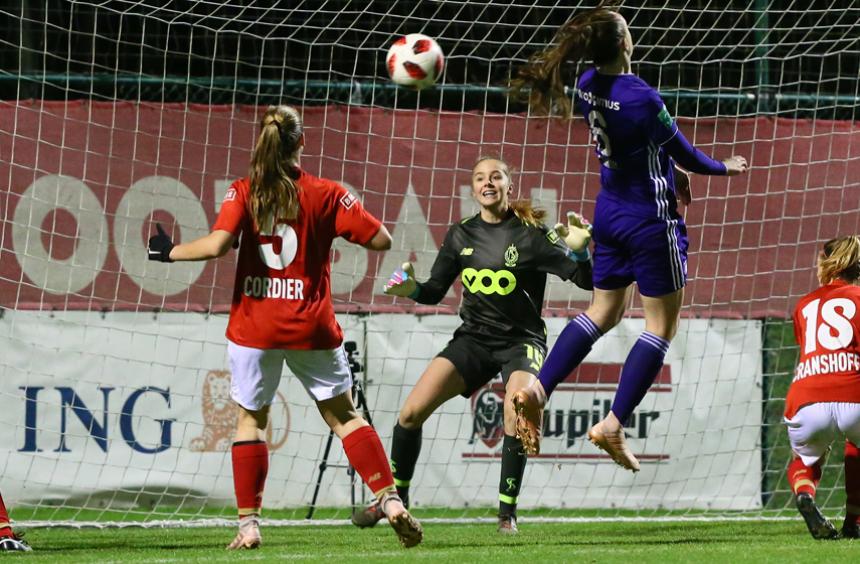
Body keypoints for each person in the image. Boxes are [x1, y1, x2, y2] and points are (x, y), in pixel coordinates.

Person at [147, 105, 422, 549]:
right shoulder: (328, 193)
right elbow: (382, 240)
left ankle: (249, 525)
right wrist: (338, 222)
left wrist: (169, 251)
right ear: (302, 142)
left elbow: (218, 246)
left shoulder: (245, 191)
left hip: (256, 326)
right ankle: (389, 500)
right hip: (310, 325)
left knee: (251, 421)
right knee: (344, 417)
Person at [508, 3, 749, 469]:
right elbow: (690, 153)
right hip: (650, 219)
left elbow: (643, 148)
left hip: (611, 209)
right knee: (660, 325)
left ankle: (538, 388)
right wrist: (725, 166)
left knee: (603, 311)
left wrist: (666, 168)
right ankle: (613, 423)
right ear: (624, 42)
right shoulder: (643, 97)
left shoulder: (586, 86)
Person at [349, 156, 594, 534]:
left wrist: (580, 253)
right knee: (410, 413)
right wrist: (410, 287)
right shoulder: (460, 234)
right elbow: (433, 291)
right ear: (474, 188)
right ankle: (395, 501)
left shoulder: (531, 233)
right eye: (480, 178)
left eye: (496, 176)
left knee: (517, 409)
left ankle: (506, 515)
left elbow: (586, 281)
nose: (488, 182)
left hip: (520, 343)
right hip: (474, 340)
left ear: (509, 186)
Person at [784, 236, 860, 540]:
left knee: (805, 457)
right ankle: (854, 520)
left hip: (809, 395)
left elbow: (809, 351)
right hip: (854, 393)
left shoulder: (804, 304)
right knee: (856, 442)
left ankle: (805, 492)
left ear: (829, 263)